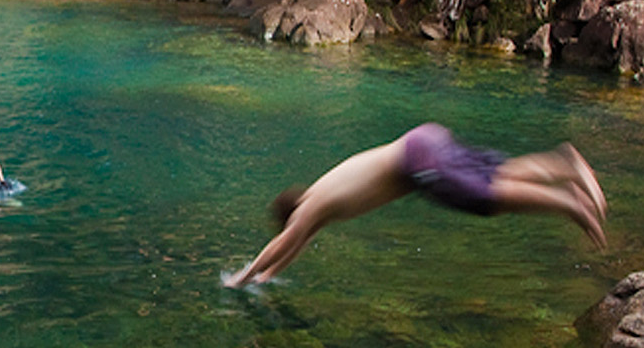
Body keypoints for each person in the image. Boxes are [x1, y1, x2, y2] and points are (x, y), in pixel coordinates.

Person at [227, 123, 607, 287]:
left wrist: (240, 278)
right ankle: (565, 165)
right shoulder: (319, 204)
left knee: (482, 198)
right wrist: (267, 277)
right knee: (495, 174)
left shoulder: (310, 206)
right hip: (424, 143)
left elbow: (286, 242)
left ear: (289, 214)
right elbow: (293, 247)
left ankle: (566, 202)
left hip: (417, 159)